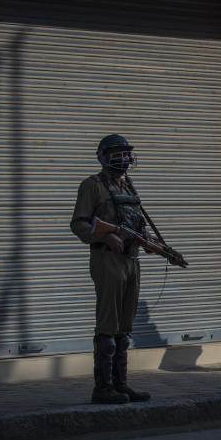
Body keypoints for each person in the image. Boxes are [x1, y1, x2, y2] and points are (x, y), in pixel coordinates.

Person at [70, 134, 152, 405]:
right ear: (104, 155)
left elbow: (137, 224)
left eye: (125, 152)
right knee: (109, 320)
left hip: (131, 260)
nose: (123, 158)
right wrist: (105, 236)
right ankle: (102, 388)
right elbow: (79, 224)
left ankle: (121, 384)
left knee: (125, 323)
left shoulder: (128, 188)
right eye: (116, 152)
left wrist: (150, 242)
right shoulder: (92, 186)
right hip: (107, 259)